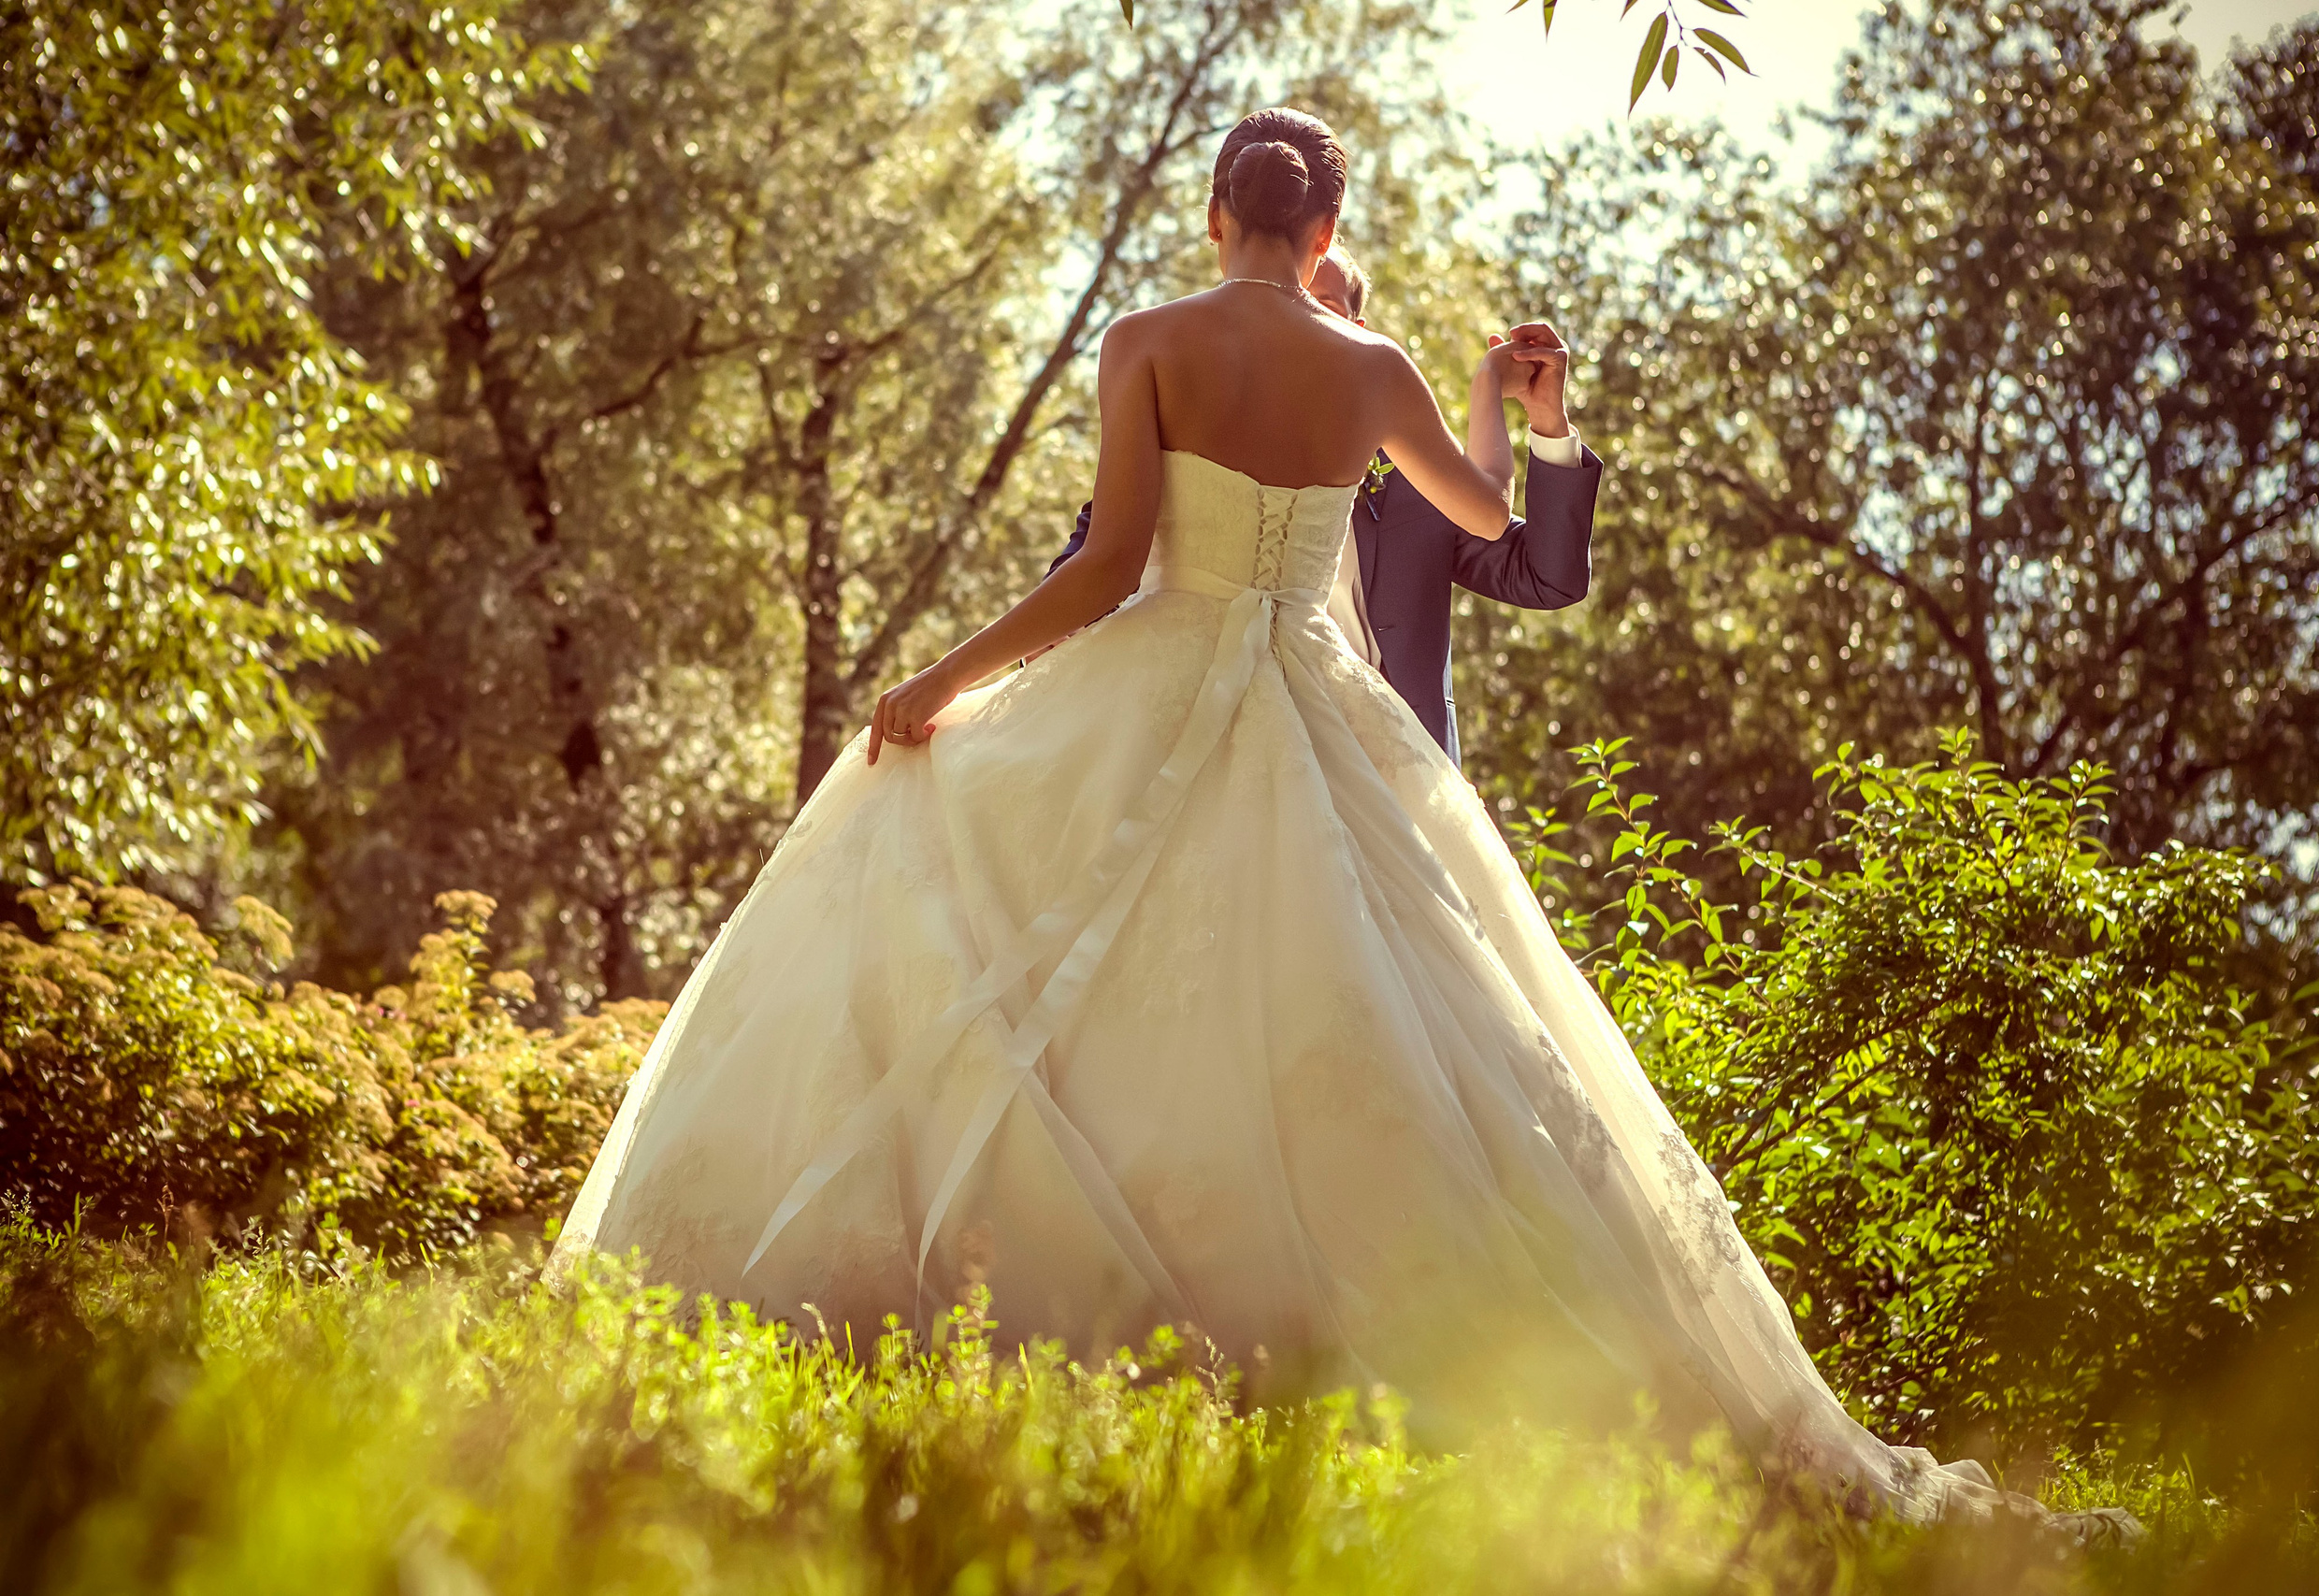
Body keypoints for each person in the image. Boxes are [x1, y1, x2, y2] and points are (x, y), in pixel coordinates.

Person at [548, 107, 2135, 1543]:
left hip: (1157, 678)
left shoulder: (1146, 339)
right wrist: (1517, 416)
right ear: (1328, 231)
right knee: (1385, 1034)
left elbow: (1106, 569)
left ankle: (1009, 1295)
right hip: (1318, 709)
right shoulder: (1372, 373)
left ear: (1214, 214)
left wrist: (939, 680)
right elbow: (1496, 530)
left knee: (1011, 940)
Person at [1040, 241, 1604, 764]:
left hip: (1400, 780)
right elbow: (1090, 569)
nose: (1300, 324)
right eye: (1291, 304)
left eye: (1323, 307)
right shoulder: (1189, 454)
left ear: (1359, 334)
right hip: (1229, 768)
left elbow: (1547, 576)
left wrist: (1548, 423)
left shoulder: (1422, 482)